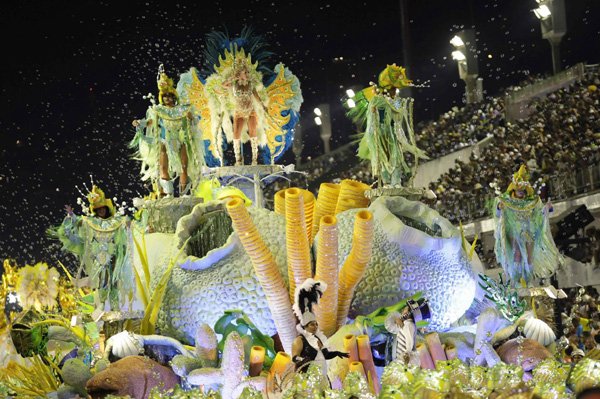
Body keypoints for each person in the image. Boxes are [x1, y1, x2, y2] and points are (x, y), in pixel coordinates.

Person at [49, 185, 134, 312]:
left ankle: (115, 309)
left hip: (113, 257)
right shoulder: (91, 223)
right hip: (98, 259)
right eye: (98, 209)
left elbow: (129, 228)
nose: (101, 211)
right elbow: (77, 225)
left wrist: (130, 225)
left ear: (106, 208)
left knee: (114, 283)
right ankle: (101, 308)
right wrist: (71, 215)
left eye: (102, 208)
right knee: (102, 284)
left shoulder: (116, 222)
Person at [131, 64, 203, 196]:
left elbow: (194, 123)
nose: (167, 99)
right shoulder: (159, 110)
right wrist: (139, 123)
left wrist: (191, 118)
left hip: (180, 141)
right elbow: (150, 122)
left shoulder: (182, 110)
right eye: (165, 97)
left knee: (184, 168)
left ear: (174, 97)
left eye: (169, 96)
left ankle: (184, 195)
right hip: (165, 142)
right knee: (163, 167)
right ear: (162, 98)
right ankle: (168, 194)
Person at [291, 279, 348, 376]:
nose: (315, 326)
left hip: (321, 375)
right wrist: (303, 359)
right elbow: (294, 357)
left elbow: (325, 355)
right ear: (305, 326)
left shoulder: (318, 339)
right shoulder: (299, 340)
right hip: (305, 376)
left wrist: (337, 353)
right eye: (312, 324)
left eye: (316, 324)